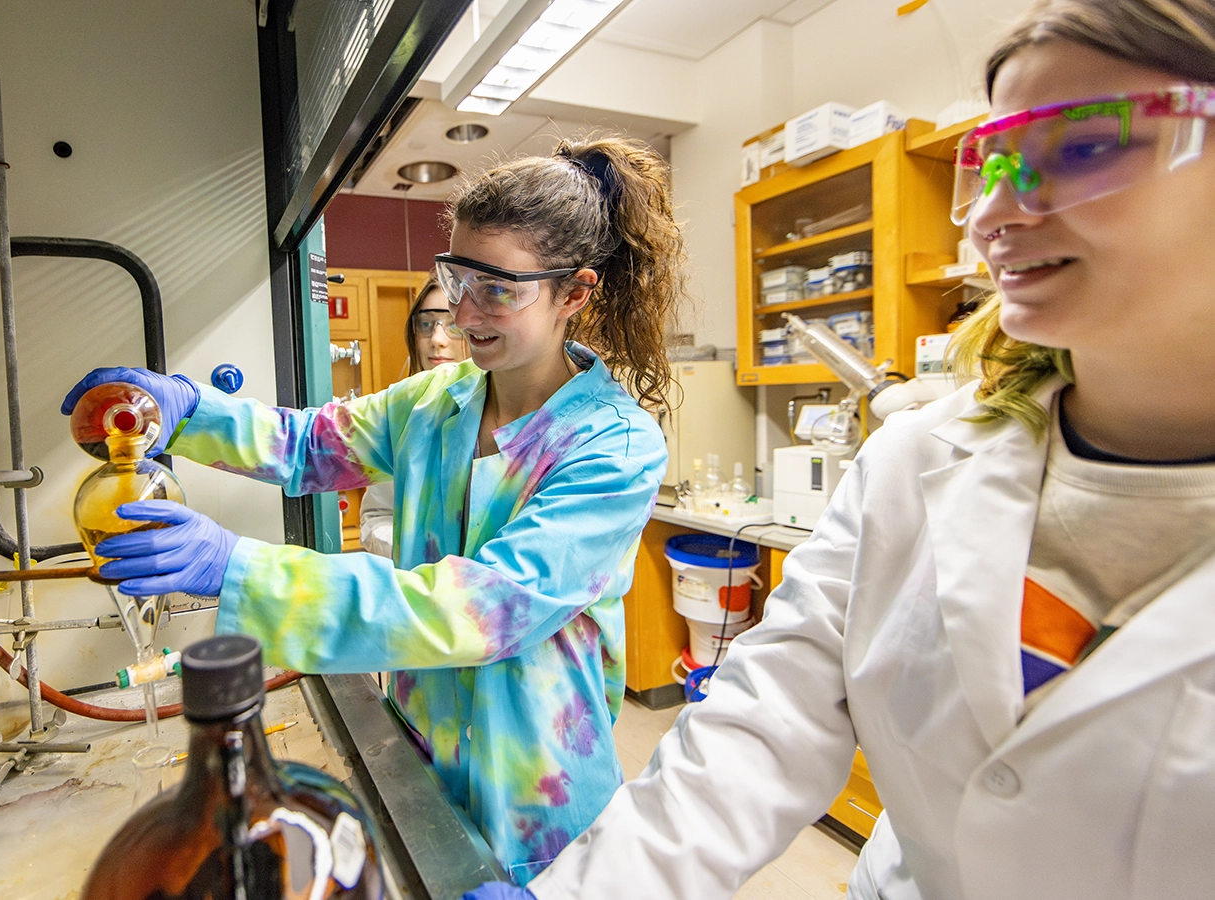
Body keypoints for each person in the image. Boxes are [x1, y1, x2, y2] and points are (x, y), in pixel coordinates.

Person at [466, 1, 1215, 898]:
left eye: (1087, 147)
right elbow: (758, 730)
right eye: (995, 160)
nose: (996, 214)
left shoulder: (608, 432)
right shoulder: (917, 458)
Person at [62, 135, 686, 883]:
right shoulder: (437, 400)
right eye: (458, 278)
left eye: (499, 290)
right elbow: (307, 446)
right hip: (422, 756)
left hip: (537, 799)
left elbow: (478, 611)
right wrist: (190, 411)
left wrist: (238, 570)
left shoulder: (613, 446)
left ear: (575, 293)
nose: (464, 314)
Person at [358, 275, 467, 558]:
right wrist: (419, 554)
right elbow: (377, 516)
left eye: (453, 325)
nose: (437, 339)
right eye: (427, 325)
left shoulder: (514, 413)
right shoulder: (402, 419)